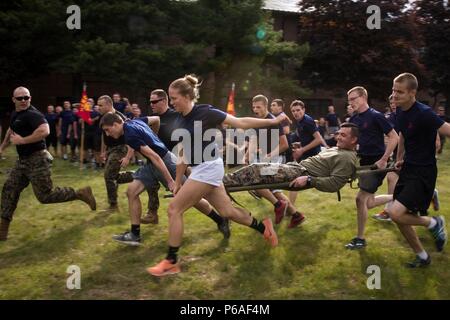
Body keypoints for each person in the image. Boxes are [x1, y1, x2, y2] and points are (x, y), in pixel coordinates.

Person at [147, 75, 290, 277]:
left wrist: (273, 121)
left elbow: (240, 122)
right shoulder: (181, 119)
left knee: (174, 209)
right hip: (199, 169)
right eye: (170, 99)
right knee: (227, 211)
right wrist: (177, 182)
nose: (171, 103)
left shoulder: (206, 111)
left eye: (174, 98)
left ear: (187, 96)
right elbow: (183, 153)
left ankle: (171, 261)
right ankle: (263, 228)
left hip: (209, 167)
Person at [0, 87, 96, 241]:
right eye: (20, 98)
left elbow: (45, 130)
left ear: (30, 98)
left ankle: (80, 193)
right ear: (14, 100)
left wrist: (22, 141)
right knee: (9, 189)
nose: (23, 100)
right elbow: (11, 130)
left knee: (45, 196)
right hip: (23, 161)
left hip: (38, 159)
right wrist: (2, 147)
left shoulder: (33, 114)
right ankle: (2, 232)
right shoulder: (15, 114)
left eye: (26, 97)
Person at [385, 73, 450, 267]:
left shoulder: (424, 113)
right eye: (393, 90)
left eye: (400, 91)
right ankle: (422, 257)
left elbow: (447, 129)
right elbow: (403, 134)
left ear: (412, 93)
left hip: (423, 172)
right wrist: (399, 158)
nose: (394, 95)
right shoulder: (400, 112)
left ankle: (433, 223)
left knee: (395, 213)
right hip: (408, 168)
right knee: (401, 219)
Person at [223, 122, 358, 194]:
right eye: (338, 134)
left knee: (257, 169)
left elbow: (335, 184)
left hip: (301, 173)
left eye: (343, 135)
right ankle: (224, 182)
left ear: (354, 140)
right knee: (258, 171)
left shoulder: (346, 158)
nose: (338, 137)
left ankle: (220, 182)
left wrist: (310, 180)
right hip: (296, 168)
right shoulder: (338, 149)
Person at [347, 86, 398, 249]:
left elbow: (394, 137)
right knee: (368, 203)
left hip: (376, 163)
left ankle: (360, 239)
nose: (350, 102)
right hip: (363, 163)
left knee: (360, 199)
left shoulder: (376, 116)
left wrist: (384, 159)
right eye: (349, 100)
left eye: (353, 99)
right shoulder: (354, 120)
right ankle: (401, 196)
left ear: (363, 97)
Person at [97, 95, 135, 211]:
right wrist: (103, 151)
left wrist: (129, 155)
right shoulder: (104, 117)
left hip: (120, 148)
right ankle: (140, 174)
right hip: (111, 149)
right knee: (113, 176)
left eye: (101, 105)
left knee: (109, 176)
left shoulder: (119, 118)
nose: (98, 108)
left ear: (109, 105)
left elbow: (131, 136)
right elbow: (104, 136)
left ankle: (113, 205)